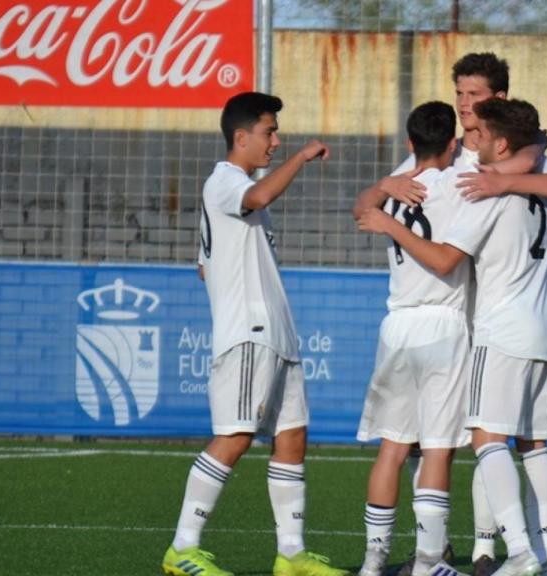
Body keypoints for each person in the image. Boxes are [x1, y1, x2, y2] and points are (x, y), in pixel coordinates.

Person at [356, 98, 547, 576]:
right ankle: (536, 557)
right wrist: (531, 150)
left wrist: (383, 209)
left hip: (454, 325)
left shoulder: (477, 188)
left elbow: (438, 255)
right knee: (529, 445)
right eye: (464, 128)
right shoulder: (536, 182)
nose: (469, 138)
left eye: (478, 132)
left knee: (462, 441)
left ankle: (505, 552)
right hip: (538, 325)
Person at [163, 91, 347, 576]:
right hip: (249, 332)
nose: (275, 141)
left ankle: (291, 555)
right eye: (269, 132)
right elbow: (259, 195)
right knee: (235, 436)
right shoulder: (225, 181)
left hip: (276, 333)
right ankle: (182, 547)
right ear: (240, 137)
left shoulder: (234, 193)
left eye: (277, 134)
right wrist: (302, 157)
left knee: (292, 437)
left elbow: (206, 267)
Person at [352, 101, 474, 576]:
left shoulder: (399, 185)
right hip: (441, 323)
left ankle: (372, 561)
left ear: (409, 145)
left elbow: (360, 210)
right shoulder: (460, 187)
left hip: (397, 325)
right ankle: (428, 561)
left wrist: (385, 204)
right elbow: (445, 261)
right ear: (452, 144)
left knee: (394, 445)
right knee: (438, 447)